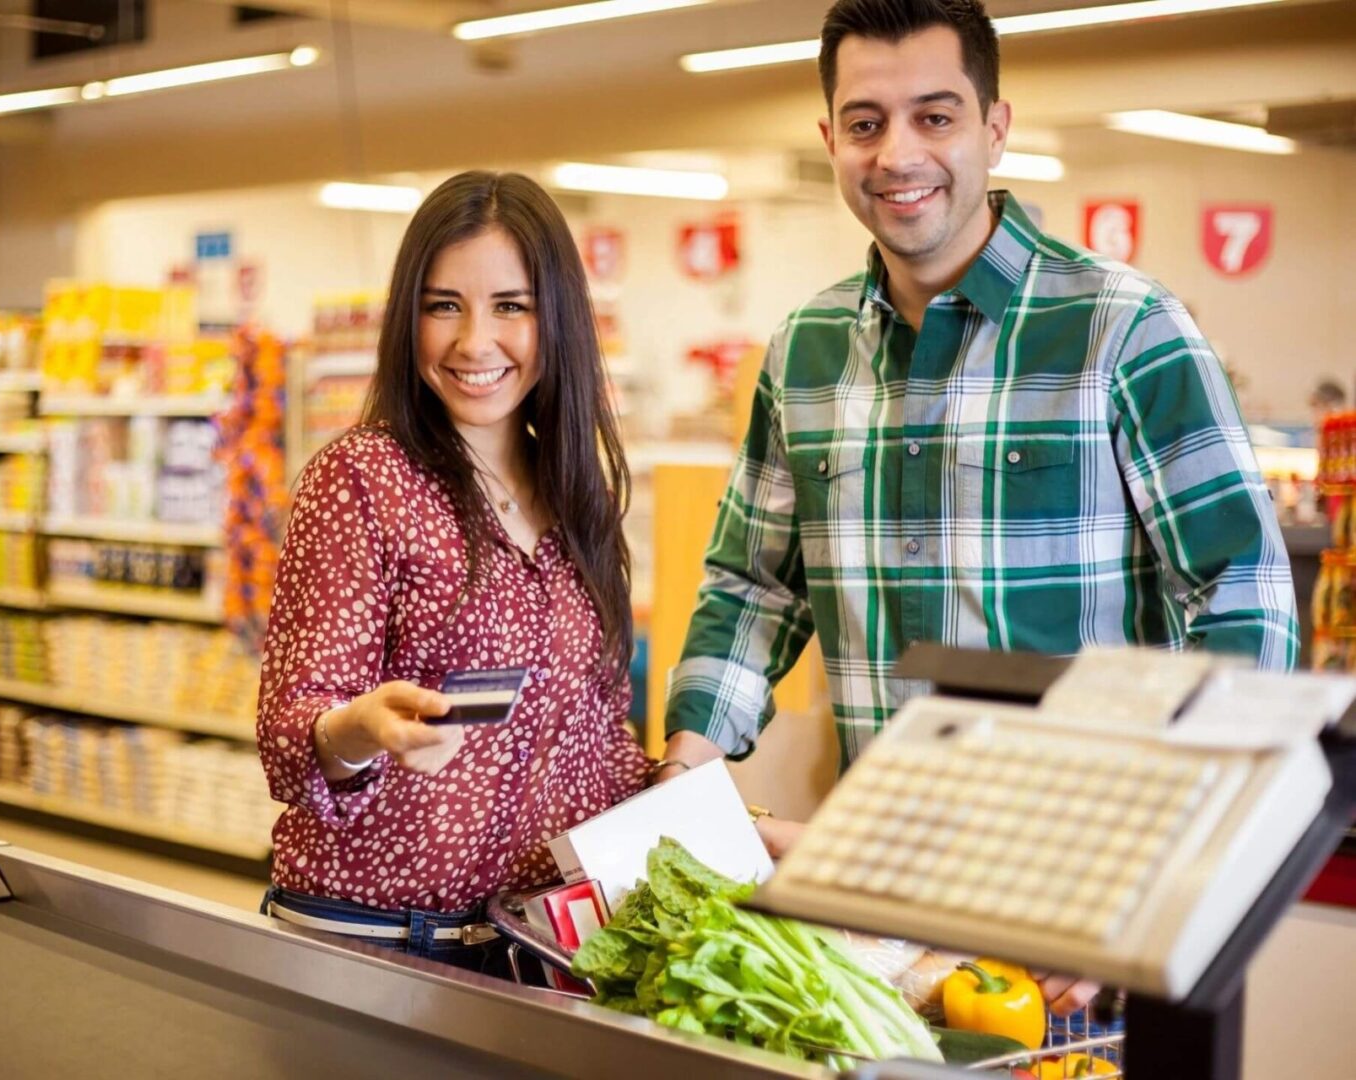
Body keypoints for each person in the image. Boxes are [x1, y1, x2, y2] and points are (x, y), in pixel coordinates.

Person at [658, 0, 1299, 1012]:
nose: (897, 152)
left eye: (936, 116)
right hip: (884, 900)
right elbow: (753, 584)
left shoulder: (1124, 330)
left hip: (1084, 910)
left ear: (996, 127)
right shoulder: (805, 351)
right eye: (865, 123)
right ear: (830, 138)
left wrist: (1166, 867)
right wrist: (687, 758)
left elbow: (1242, 598)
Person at [255, 171, 647, 973]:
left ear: (558, 318)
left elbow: (599, 746)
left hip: (533, 949)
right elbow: (289, 737)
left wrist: (730, 815)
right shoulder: (362, 478)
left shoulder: (578, 494)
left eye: (511, 306)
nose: (474, 342)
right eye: (444, 306)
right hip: (371, 946)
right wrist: (360, 728)